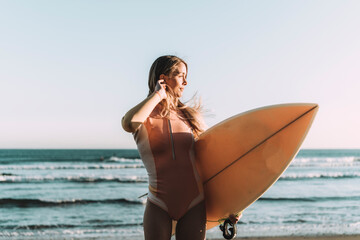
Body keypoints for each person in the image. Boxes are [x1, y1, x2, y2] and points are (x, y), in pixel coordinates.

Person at [122, 55, 239, 240]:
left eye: (186, 75)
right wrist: (158, 95)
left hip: (195, 202)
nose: (185, 81)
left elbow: (211, 162)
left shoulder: (189, 117)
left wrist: (229, 204)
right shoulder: (144, 116)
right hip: (159, 203)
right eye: (179, 75)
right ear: (163, 78)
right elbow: (128, 123)